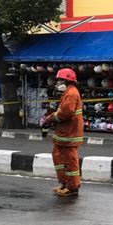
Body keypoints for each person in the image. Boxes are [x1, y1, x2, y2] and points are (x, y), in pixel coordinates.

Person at [43, 68, 84, 198]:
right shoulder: (67, 92)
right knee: (58, 156)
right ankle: (64, 183)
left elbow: (66, 113)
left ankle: (72, 187)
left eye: (60, 80)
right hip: (63, 132)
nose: (57, 82)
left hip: (70, 133)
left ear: (67, 81)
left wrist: (50, 118)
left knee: (70, 160)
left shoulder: (71, 93)